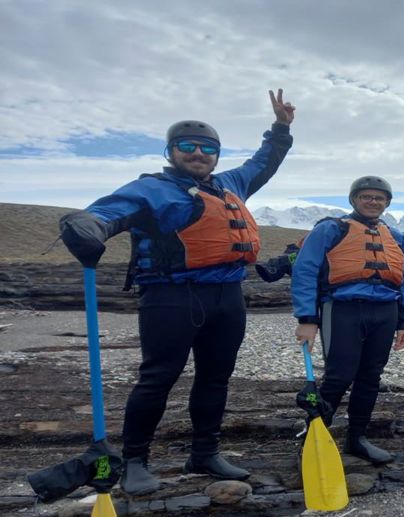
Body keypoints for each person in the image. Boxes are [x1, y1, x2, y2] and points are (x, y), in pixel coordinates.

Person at [58, 89, 296, 495]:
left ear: (217, 155)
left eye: (207, 148)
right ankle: (135, 460)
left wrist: (280, 129)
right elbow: (107, 212)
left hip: (227, 297)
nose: (198, 153)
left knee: (216, 378)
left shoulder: (231, 183)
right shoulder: (151, 189)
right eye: (188, 146)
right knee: (157, 379)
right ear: (172, 151)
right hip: (170, 298)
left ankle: (204, 452)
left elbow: (264, 163)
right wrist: (87, 226)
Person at [291, 176, 404, 465]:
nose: (373, 202)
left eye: (379, 198)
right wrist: (307, 318)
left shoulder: (396, 238)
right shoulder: (330, 229)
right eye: (366, 197)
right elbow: (305, 271)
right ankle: (315, 436)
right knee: (338, 375)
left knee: (370, 377)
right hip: (342, 310)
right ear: (354, 200)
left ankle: (357, 437)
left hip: (384, 313)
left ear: (387, 203)